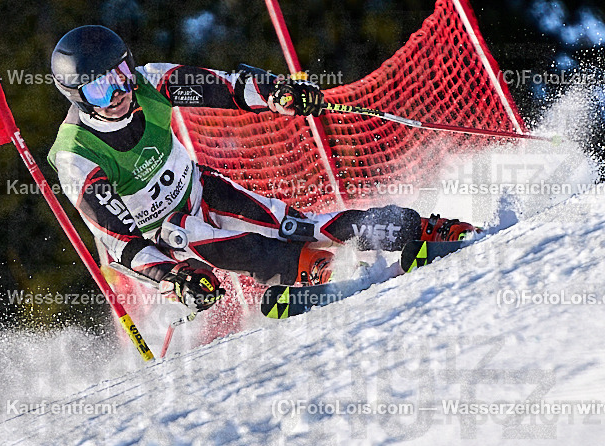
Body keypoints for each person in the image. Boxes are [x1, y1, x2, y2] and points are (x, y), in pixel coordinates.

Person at [47, 25, 477, 313]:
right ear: (77, 96)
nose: (120, 91)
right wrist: (172, 275)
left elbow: (228, 88)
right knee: (234, 245)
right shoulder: (76, 156)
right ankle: (321, 271)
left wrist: (278, 94)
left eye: (121, 73)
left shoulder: (150, 82)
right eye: (102, 88)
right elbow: (118, 243)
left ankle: (415, 227)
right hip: (162, 232)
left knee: (298, 225)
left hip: (201, 189)